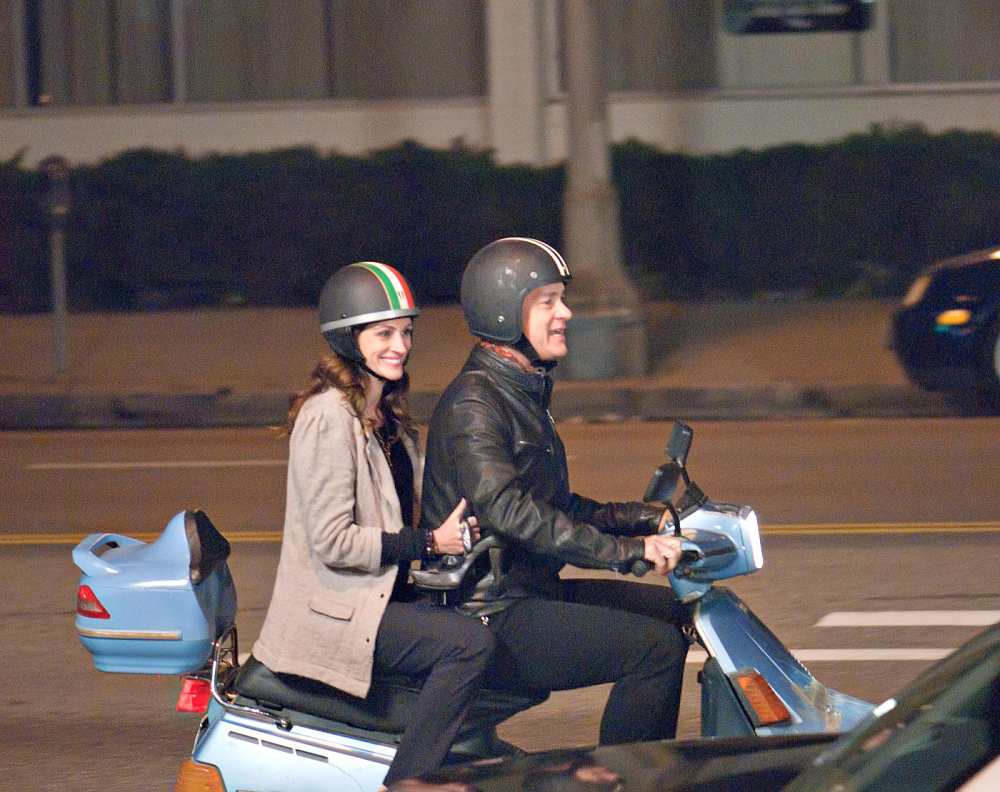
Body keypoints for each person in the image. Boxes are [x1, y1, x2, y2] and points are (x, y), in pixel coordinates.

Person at [419, 237, 689, 745]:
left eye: (560, 300)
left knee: (678, 613)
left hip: (530, 589)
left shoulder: (520, 390)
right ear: (504, 314)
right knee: (655, 650)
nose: (565, 313)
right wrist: (627, 553)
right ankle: (628, 775)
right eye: (547, 302)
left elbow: (555, 506)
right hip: (491, 611)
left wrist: (644, 519)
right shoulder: (474, 404)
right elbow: (510, 512)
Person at [252, 261, 492, 790]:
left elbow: (400, 518)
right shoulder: (329, 417)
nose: (400, 346)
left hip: (378, 597)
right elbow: (333, 541)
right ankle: (405, 782)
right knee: (467, 645)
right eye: (383, 334)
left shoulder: (386, 418)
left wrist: (457, 533)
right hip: (336, 609)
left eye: (406, 332)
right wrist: (428, 541)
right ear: (348, 338)